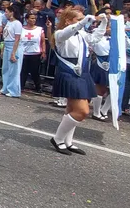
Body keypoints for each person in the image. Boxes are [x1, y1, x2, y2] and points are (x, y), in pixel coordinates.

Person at [49, 10, 105, 155]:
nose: (84, 21)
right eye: (79, 19)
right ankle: (58, 139)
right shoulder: (60, 34)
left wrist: (104, 23)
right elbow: (67, 33)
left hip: (82, 73)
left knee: (71, 109)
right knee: (82, 111)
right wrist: (82, 22)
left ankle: (68, 141)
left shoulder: (81, 34)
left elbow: (95, 38)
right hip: (70, 73)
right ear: (68, 20)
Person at [0, 6, 24, 98]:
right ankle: (5, 88)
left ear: (12, 12)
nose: (5, 14)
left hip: (14, 46)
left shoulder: (17, 23)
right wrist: (3, 49)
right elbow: (5, 37)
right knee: (5, 68)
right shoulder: (9, 22)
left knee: (14, 70)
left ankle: (14, 91)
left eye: (6, 12)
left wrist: (13, 53)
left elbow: (17, 39)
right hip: (7, 45)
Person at [18, 12, 45, 93]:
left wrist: (43, 52)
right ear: (27, 19)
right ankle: (21, 86)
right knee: (23, 71)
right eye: (32, 18)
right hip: (24, 53)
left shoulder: (39, 29)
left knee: (35, 71)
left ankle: (38, 87)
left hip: (35, 53)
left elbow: (43, 41)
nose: (33, 20)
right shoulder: (21, 28)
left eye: (34, 18)